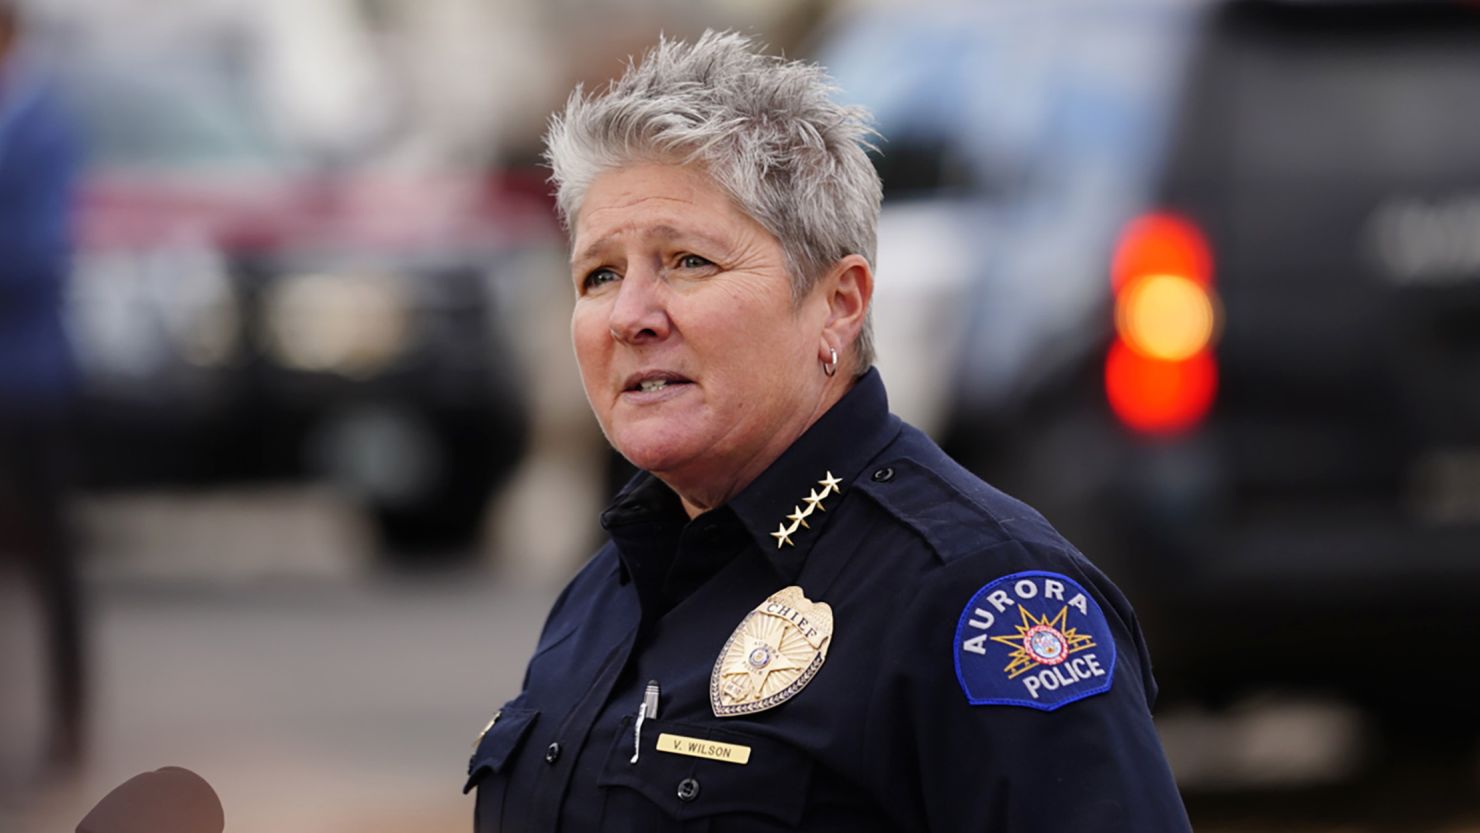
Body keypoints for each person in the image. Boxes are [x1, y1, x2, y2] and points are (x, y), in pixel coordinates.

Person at [466, 31, 1192, 832]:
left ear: (839, 304)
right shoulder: (608, 588)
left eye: (688, 261)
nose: (631, 315)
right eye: (599, 275)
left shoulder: (978, 596)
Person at [0, 0, 85, 772]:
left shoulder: (40, 120)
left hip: (26, 373)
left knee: (51, 556)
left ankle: (67, 727)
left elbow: (41, 248)